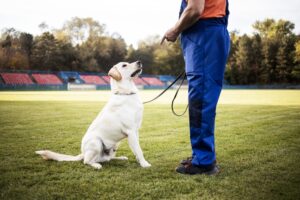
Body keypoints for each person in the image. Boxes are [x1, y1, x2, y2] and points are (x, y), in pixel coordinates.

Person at [161, 0, 230, 175]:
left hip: (204, 34)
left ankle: (204, 161)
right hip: (207, 34)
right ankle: (202, 155)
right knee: (202, 98)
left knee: (201, 99)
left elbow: (195, 9)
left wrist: (175, 30)